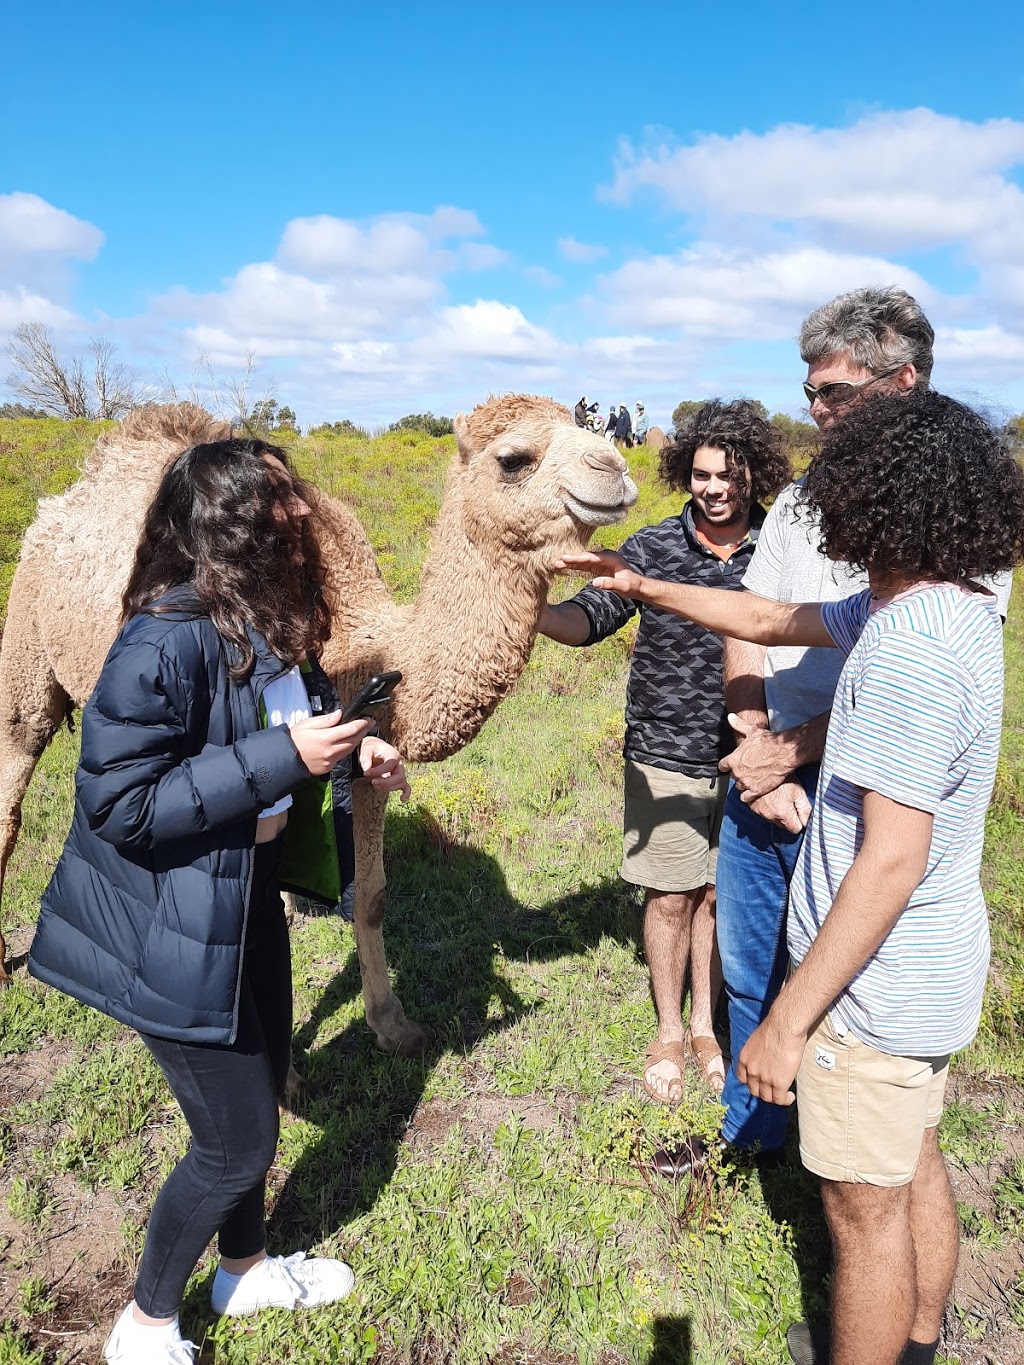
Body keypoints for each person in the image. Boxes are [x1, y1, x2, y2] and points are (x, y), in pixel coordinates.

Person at [557, 389, 1024, 1365]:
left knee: (861, 1223)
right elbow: (767, 613)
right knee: (913, 1160)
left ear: (877, 499)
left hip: (874, 989)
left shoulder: (909, 652)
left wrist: (785, 1019)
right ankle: (921, 1340)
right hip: (923, 975)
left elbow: (889, 861)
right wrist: (639, 588)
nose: (822, 504)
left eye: (839, 483)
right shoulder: (938, 600)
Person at [28, 439, 411, 1365]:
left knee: (263, 1088)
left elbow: (287, 709)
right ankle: (146, 1324)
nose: (302, 513)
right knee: (237, 1144)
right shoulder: (161, 641)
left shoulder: (259, 621)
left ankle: (241, 1270)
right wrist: (288, 759)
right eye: (278, 502)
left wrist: (348, 742)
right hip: (173, 926)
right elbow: (120, 808)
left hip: (244, 902)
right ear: (227, 526)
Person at [712, 286, 1013, 1167]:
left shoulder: (956, 522)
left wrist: (783, 756)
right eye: (809, 391)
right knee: (750, 964)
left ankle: (838, 1161)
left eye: (834, 392)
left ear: (903, 379)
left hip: (853, 788)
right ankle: (756, 1134)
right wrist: (750, 733)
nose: (814, 410)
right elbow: (755, 618)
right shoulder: (811, 495)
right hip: (764, 765)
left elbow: (902, 698)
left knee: (833, 984)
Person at [537, 401, 790, 1102]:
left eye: (729, 475)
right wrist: (527, 606)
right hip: (665, 746)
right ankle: (668, 1030)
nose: (714, 488)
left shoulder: (780, 546)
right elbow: (588, 619)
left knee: (719, 894)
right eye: (702, 474)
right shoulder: (651, 546)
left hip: (757, 754)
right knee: (671, 894)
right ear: (686, 473)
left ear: (752, 475)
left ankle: (707, 1025)